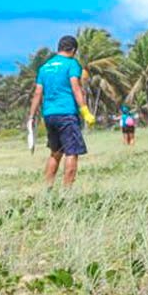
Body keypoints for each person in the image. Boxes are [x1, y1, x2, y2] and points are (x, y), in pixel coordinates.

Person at [27, 35, 96, 186]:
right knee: (72, 152)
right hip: (66, 114)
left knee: (55, 153)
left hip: (49, 115)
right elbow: (75, 87)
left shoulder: (44, 67)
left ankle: (48, 189)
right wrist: (84, 110)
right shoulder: (71, 64)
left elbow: (38, 93)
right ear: (73, 50)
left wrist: (31, 116)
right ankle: (67, 194)